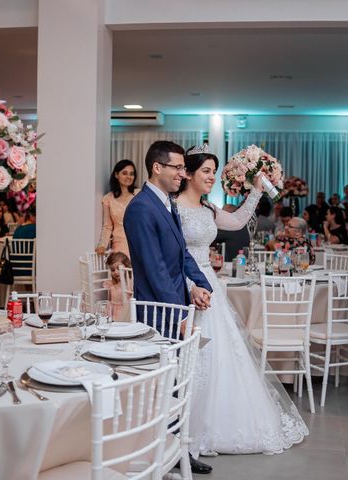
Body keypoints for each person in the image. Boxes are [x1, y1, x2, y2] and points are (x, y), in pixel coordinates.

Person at [175, 145, 307, 458]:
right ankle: (184, 424)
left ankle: (218, 423)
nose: (211, 177)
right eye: (206, 171)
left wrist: (257, 191)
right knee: (193, 356)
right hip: (187, 286)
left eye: (213, 171)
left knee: (224, 354)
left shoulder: (207, 208)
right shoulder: (172, 207)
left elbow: (235, 224)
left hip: (210, 284)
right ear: (188, 174)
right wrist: (190, 285)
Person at [123, 141, 213, 475]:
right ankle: (163, 452)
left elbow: (180, 253)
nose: (183, 173)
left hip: (174, 303)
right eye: (177, 167)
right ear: (157, 168)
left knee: (176, 381)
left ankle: (177, 449)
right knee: (165, 383)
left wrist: (200, 282)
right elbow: (155, 268)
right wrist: (179, 315)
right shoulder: (141, 208)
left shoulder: (166, 203)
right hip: (159, 310)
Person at [97, 160, 140, 258]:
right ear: (116, 175)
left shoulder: (139, 194)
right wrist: (102, 245)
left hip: (139, 242)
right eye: (124, 173)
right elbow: (107, 226)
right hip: (119, 245)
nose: (129, 177)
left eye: (131, 174)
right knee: (120, 272)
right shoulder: (108, 198)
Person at [103, 251, 132, 322]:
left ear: (126, 266)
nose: (116, 272)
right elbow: (109, 300)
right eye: (113, 270)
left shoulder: (129, 283)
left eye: (119, 268)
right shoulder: (111, 283)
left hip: (124, 312)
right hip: (112, 311)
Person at [12, 205, 36, 277]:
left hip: (16, 268)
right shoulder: (35, 229)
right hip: (31, 269)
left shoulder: (18, 229)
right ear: (31, 216)